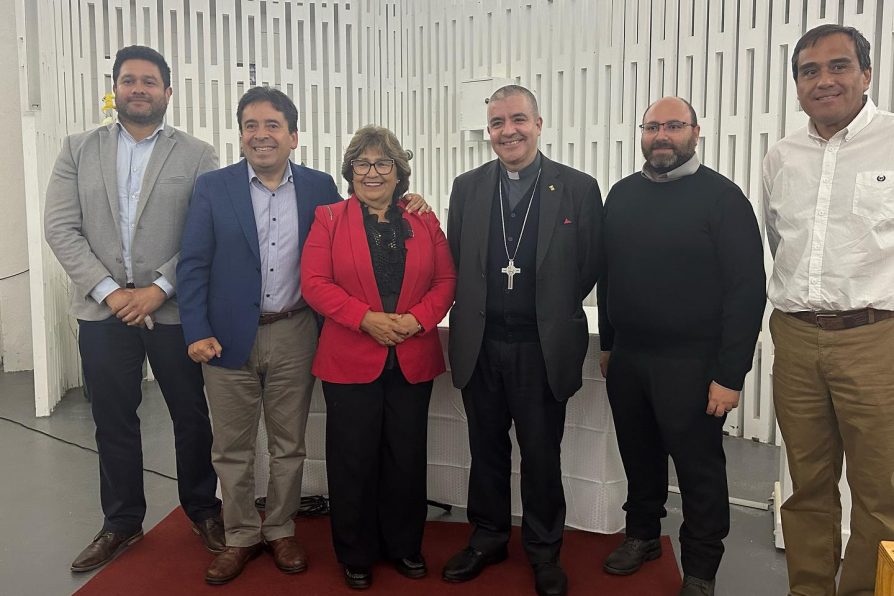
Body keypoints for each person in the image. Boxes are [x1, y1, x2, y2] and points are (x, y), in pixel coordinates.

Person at [177, 88, 430, 585]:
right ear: (241, 134)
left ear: (293, 136)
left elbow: (369, 211)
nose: (261, 135)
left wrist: (409, 199)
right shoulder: (213, 187)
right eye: (251, 125)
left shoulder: (319, 189)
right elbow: (193, 263)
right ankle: (241, 536)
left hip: (295, 330)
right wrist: (197, 330)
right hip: (227, 337)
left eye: (272, 125)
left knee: (290, 443)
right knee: (232, 446)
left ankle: (280, 528)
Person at [43, 45, 224, 572]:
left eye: (149, 81)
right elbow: (60, 227)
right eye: (128, 80)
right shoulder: (77, 149)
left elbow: (202, 230)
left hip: (173, 310)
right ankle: (121, 522)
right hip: (103, 312)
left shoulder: (196, 153)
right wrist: (111, 291)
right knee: (112, 419)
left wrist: (158, 289)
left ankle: (203, 509)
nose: (138, 89)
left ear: (168, 92)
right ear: (114, 89)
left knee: (191, 417)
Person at [597, 97, 766, 596]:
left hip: (693, 364)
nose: (662, 136)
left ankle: (700, 566)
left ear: (696, 131)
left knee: (698, 469)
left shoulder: (723, 198)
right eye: (652, 127)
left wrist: (730, 375)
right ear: (641, 134)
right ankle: (643, 536)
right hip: (629, 357)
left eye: (673, 126)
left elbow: (746, 291)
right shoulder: (622, 195)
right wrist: (608, 344)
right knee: (639, 456)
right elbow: (609, 276)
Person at [443, 84, 602, 596]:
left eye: (517, 120)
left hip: (540, 346)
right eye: (496, 123)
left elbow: (588, 266)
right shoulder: (467, 187)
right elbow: (458, 259)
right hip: (482, 343)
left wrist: (547, 309)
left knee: (540, 454)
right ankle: (488, 536)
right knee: (484, 450)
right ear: (487, 131)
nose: (507, 131)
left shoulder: (577, 187)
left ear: (538, 122)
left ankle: (543, 549)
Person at [763, 24, 894, 596]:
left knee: (881, 494)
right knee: (808, 485)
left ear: (866, 74)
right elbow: (778, 242)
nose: (824, 80)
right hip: (795, 339)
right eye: (809, 71)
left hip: (876, 340)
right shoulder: (781, 157)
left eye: (838, 66)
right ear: (797, 86)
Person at [300, 125, 456, 590]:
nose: (372, 172)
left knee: (406, 457)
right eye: (363, 164)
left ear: (398, 172)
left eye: (383, 163)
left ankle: (405, 545)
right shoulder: (328, 218)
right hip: (349, 356)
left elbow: (446, 280)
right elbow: (315, 283)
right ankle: (356, 552)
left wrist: (416, 321)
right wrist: (365, 318)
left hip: (413, 355)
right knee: (353, 460)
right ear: (350, 172)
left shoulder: (424, 219)